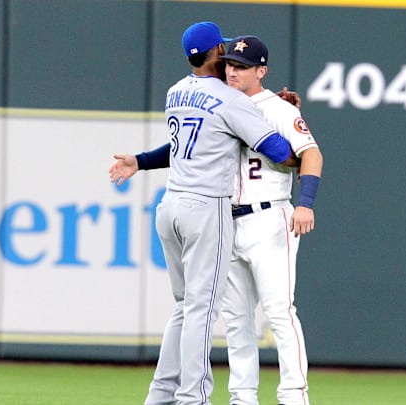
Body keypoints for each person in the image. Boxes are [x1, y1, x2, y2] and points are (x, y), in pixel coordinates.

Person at [111, 21, 297, 405]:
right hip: (204, 208)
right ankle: (192, 397)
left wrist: (140, 161)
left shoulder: (176, 90)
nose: (229, 58)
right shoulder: (231, 99)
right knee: (201, 308)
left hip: (170, 206)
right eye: (223, 50)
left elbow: (195, 140)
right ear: (215, 53)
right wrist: (299, 149)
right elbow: (277, 149)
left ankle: (160, 394)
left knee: (184, 307)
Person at [219, 35, 322, 405]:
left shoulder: (278, 108)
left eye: (242, 66)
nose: (233, 71)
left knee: (279, 311)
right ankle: (242, 397)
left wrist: (305, 204)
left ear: (261, 71)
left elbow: (312, 154)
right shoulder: (219, 103)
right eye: (230, 64)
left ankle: (294, 396)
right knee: (237, 320)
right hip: (228, 219)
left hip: (269, 215)